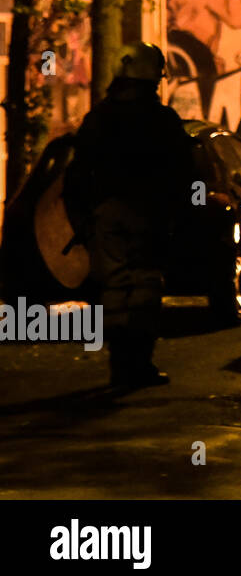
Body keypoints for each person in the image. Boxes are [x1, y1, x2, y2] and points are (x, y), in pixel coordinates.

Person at [62, 42, 197, 388]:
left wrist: (83, 218)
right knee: (145, 289)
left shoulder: (98, 119)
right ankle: (138, 364)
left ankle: (120, 366)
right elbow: (184, 170)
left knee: (115, 289)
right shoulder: (161, 120)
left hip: (106, 216)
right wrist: (183, 213)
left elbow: (78, 173)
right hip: (149, 215)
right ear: (153, 79)